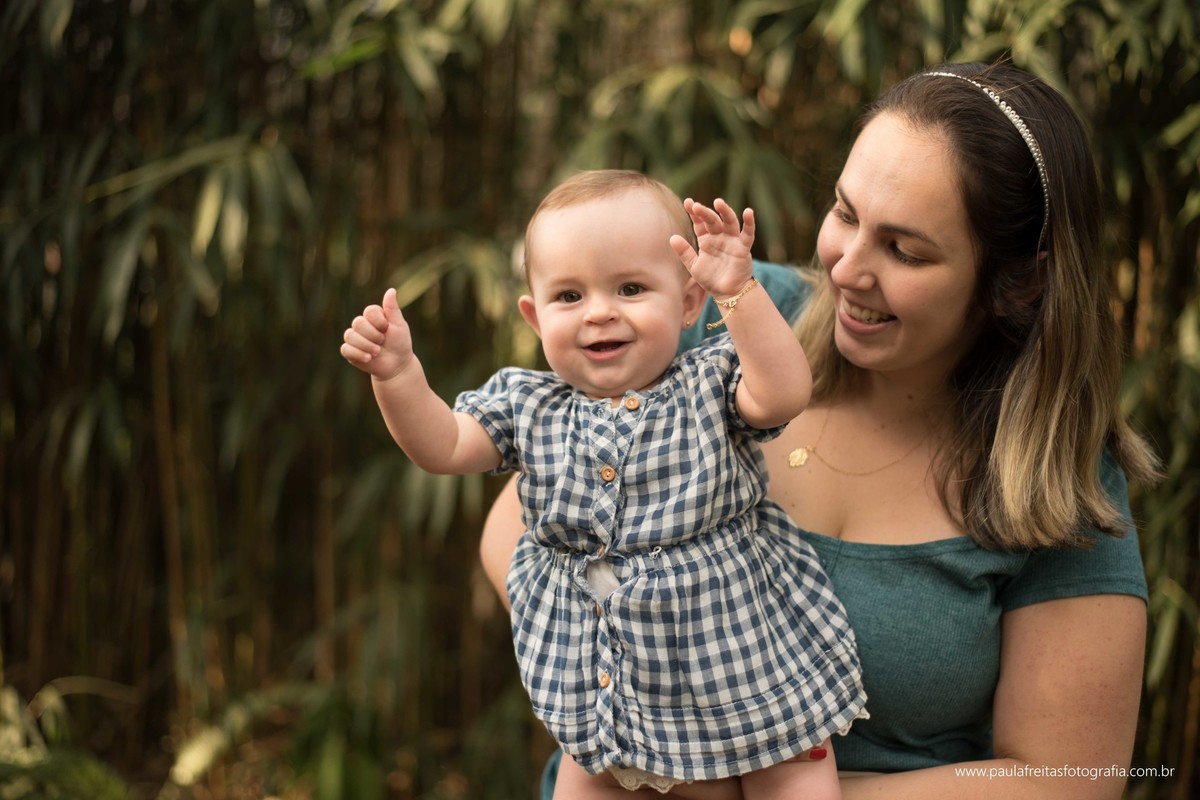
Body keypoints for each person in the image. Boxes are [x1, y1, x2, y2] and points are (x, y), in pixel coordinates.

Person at [481, 63, 1161, 799]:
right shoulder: (729, 316)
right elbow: (516, 528)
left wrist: (751, 784)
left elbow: (1067, 781)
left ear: (1018, 282)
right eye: (844, 214)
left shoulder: (1056, 475)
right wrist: (655, 719)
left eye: (905, 251)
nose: (846, 268)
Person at [341, 169, 869, 799]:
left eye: (630, 287)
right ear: (535, 318)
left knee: (795, 771)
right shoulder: (526, 406)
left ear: (687, 303)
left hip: (745, 661)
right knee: (585, 777)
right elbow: (444, 445)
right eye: (568, 297)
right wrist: (397, 375)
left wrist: (738, 291)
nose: (598, 312)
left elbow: (783, 394)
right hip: (609, 688)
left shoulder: (709, 382)